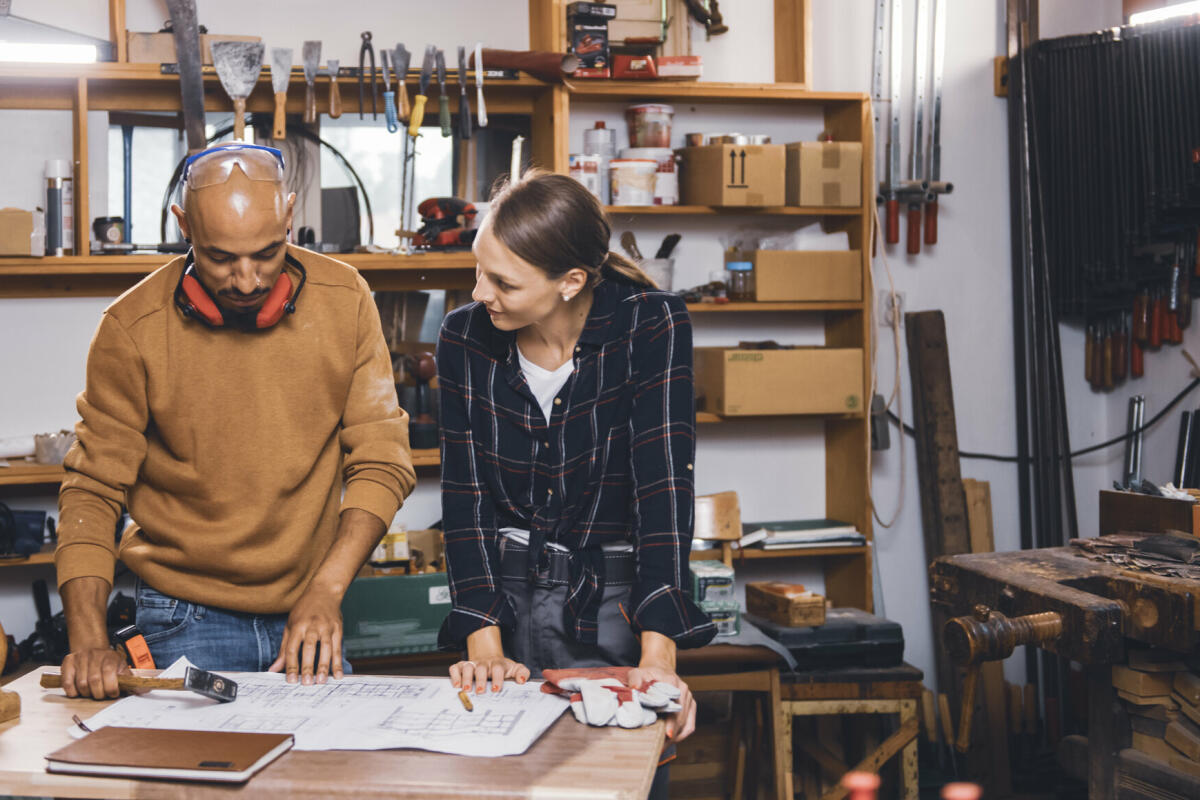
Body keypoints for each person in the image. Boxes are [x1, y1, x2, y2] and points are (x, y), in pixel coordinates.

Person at [55, 143, 415, 698]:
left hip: (312, 605)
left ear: (291, 215)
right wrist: (86, 640)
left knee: (324, 780)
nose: (247, 282)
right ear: (183, 226)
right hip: (184, 618)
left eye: (268, 253)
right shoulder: (131, 328)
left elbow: (382, 457)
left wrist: (327, 588)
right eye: (220, 257)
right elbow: (93, 489)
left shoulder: (347, 299)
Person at [436, 172, 715, 786]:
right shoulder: (464, 335)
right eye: (479, 269)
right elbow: (466, 497)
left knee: (616, 780)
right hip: (501, 596)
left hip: (618, 599)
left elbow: (663, 493)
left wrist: (657, 658)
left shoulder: (653, 326)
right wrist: (481, 642)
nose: (480, 291)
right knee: (503, 783)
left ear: (571, 282)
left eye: (503, 281)